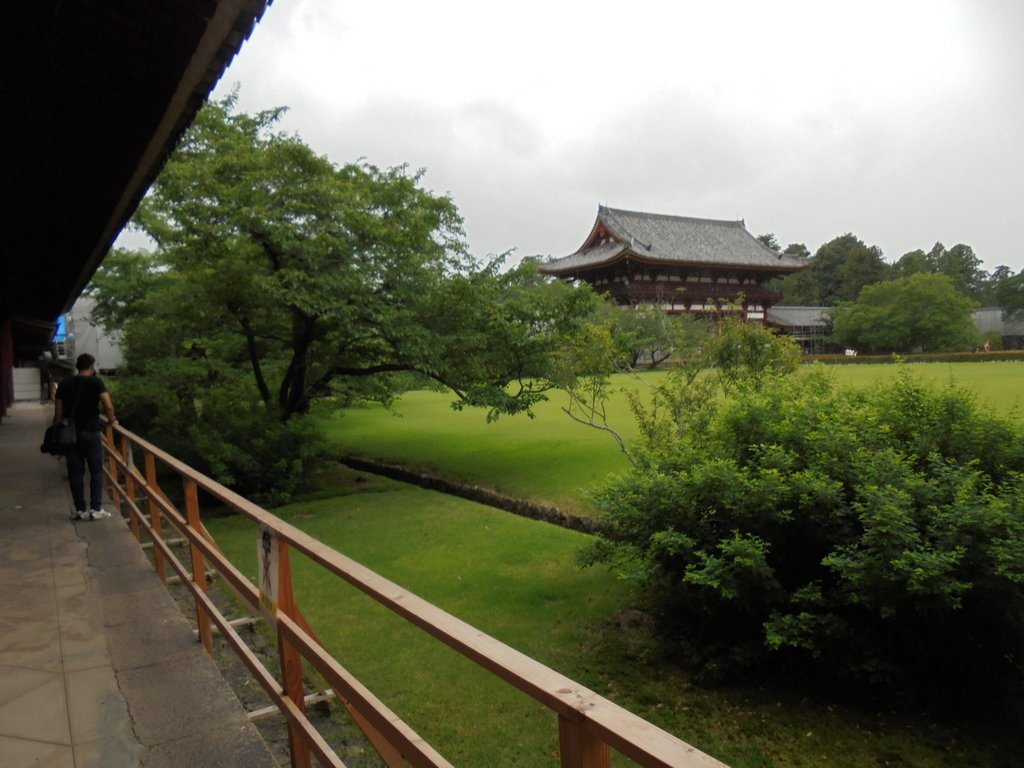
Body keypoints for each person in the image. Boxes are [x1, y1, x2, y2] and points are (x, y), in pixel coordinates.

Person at [54, 353, 118, 521]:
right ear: (91, 367)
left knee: (75, 473)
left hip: (71, 435)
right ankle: (96, 508)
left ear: (77, 367)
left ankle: (80, 510)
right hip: (91, 432)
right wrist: (112, 420)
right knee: (96, 471)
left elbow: (58, 413)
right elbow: (108, 405)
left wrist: (57, 432)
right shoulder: (96, 382)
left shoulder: (64, 384)